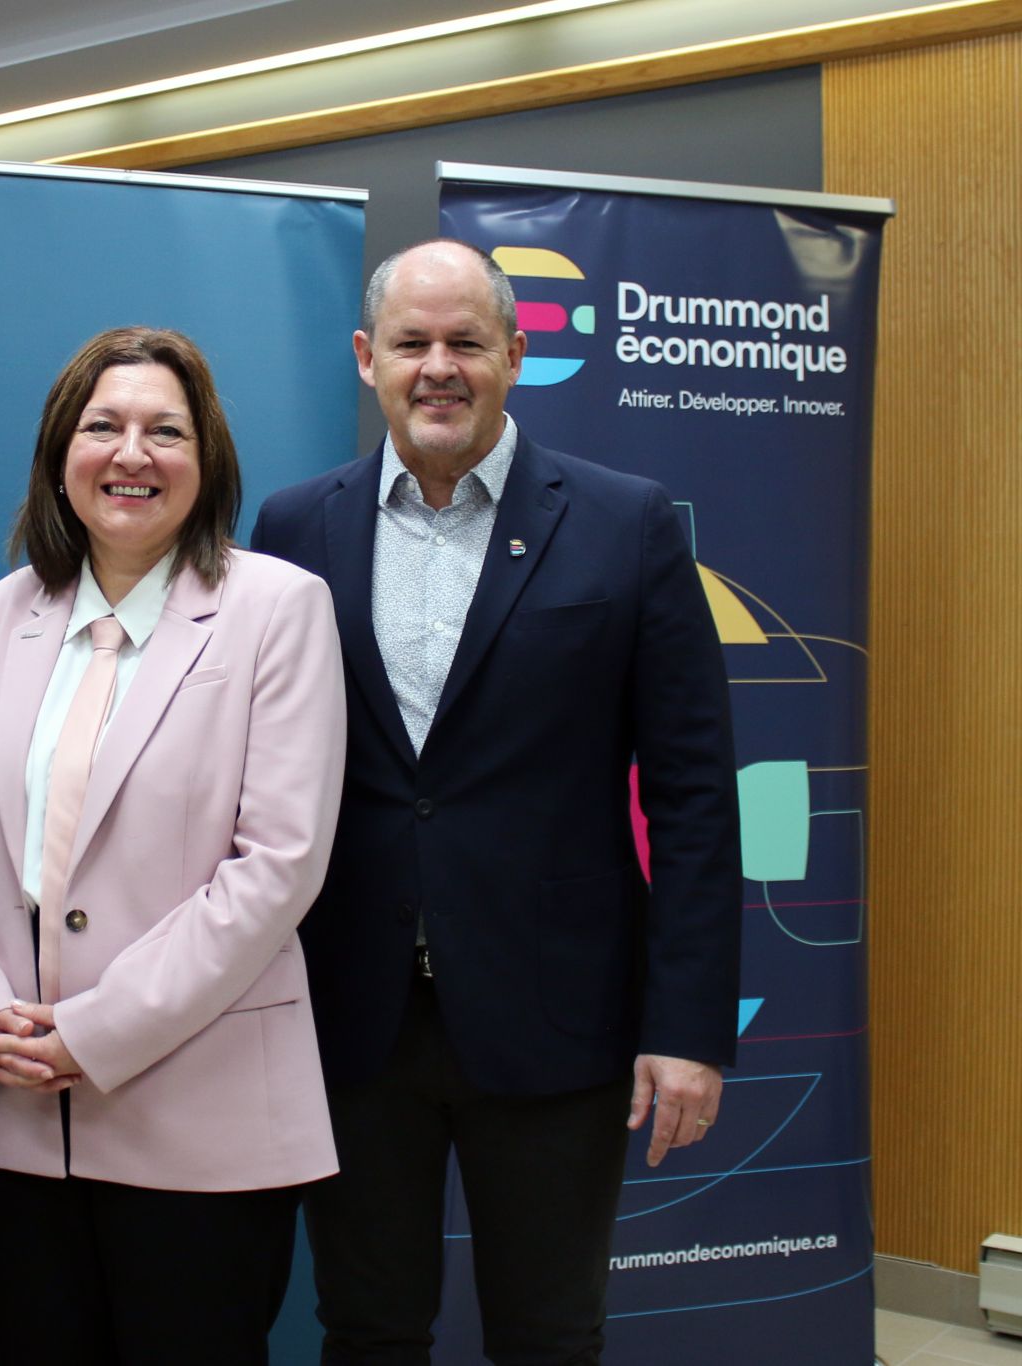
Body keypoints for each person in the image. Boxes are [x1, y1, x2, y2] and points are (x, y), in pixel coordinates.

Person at [250, 238, 743, 1364]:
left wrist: (684, 1026)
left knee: (548, 1331)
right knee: (365, 1325)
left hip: (557, 1019)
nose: (438, 367)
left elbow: (691, 794)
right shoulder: (291, 530)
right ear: (365, 358)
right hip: (349, 1016)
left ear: (515, 355)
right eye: (411, 343)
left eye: (465, 342)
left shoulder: (625, 523)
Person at [0, 325, 346, 1365]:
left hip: (200, 1121)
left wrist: (95, 1031)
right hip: (13, 1112)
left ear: (206, 465)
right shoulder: (7, 610)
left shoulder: (275, 608)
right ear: (59, 453)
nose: (131, 453)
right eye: (102, 425)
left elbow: (275, 866)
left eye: (165, 430)